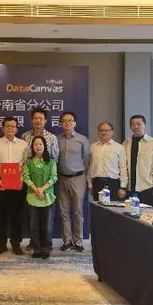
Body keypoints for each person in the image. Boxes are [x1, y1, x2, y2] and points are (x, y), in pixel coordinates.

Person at [20, 107, 59, 251]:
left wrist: (43, 187)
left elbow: (55, 158)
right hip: (30, 180)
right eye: (35, 118)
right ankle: (34, 244)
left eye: (40, 118)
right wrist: (34, 187)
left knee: (46, 222)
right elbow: (23, 159)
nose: (38, 121)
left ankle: (45, 246)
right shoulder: (24, 136)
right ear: (31, 120)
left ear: (45, 120)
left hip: (46, 182)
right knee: (33, 220)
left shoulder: (52, 137)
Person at [0, 117, 28, 255]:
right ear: (2, 128)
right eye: (7, 126)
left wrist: (22, 179)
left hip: (18, 185)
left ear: (17, 129)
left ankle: (16, 244)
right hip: (0, 184)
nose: (10, 128)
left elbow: (26, 165)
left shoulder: (24, 145)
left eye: (13, 126)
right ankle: (1, 244)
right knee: (0, 216)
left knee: (16, 216)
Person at [57, 111, 89, 252]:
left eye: (70, 120)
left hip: (78, 178)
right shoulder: (57, 139)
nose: (67, 123)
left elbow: (86, 160)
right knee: (63, 211)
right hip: (61, 178)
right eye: (64, 121)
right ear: (60, 124)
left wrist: (84, 176)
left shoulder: (82, 139)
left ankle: (78, 240)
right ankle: (67, 241)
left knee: (77, 211)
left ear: (74, 123)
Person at [22, 136, 58, 259]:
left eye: (40, 144)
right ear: (32, 147)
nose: (38, 146)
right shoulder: (28, 162)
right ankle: (36, 249)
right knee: (34, 226)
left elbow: (54, 177)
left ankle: (46, 249)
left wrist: (42, 189)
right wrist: (36, 189)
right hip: (32, 196)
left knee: (47, 227)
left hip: (47, 196)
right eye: (35, 144)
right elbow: (25, 177)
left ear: (44, 146)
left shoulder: (51, 162)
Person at [123, 115, 153, 206]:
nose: (135, 126)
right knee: (129, 214)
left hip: (146, 188)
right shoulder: (126, 143)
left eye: (138, 124)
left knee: (147, 214)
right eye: (133, 124)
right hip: (130, 188)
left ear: (144, 125)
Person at [87, 122, 128, 201]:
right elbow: (90, 166)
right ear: (98, 132)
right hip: (97, 182)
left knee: (112, 207)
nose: (104, 132)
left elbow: (123, 167)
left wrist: (123, 187)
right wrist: (90, 184)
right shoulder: (93, 147)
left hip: (113, 183)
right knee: (98, 207)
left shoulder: (119, 147)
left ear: (112, 132)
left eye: (107, 130)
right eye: (101, 130)